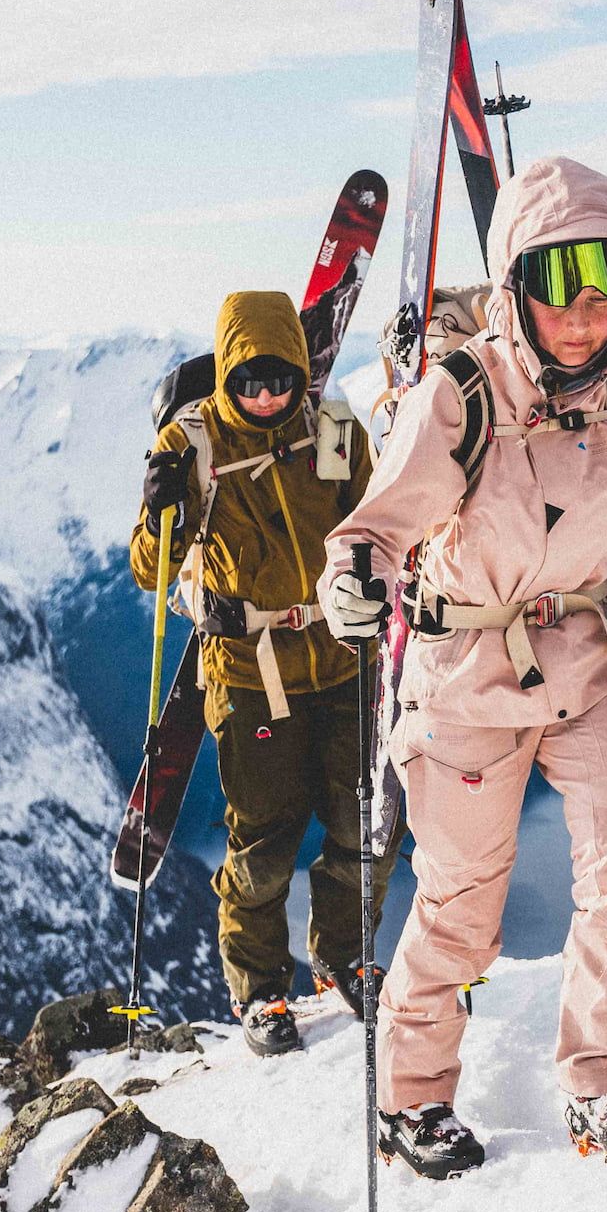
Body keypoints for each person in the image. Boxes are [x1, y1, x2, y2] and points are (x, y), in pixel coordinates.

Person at [320, 156, 607, 1176]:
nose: (584, 317)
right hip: (467, 671)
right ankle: (411, 1098)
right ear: (515, 291)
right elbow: (375, 531)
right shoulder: (455, 397)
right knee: (462, 913)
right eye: (558, 289)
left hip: (599, 652)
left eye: (606, 289)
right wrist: (353, 578)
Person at [132, 291, 379, 1057]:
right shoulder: (193, 445)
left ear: (302, 373)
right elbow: (152, 570)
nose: (267, 398)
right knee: (264, 844)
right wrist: (156, 508)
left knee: (358, 826)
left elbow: (378, 519)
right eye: (250, 383)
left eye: (280, 382)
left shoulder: (333, 430)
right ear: (228, 378)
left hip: (341, 658)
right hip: (247, 669)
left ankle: (341, 958)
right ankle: (260, 988)